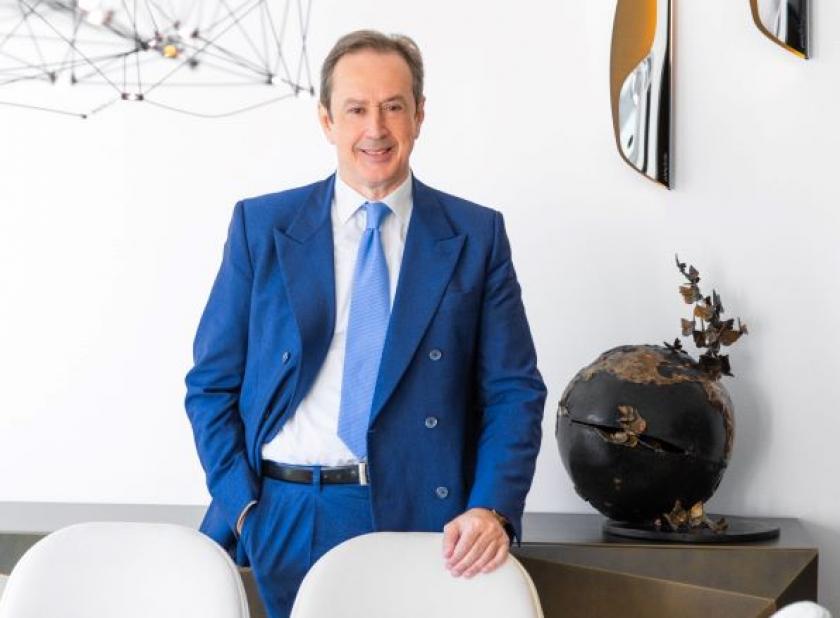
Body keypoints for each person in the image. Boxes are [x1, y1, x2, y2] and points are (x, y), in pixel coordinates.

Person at [184, 29, 546, 618]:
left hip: (422, 514)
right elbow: (211, 384)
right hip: (284, 511)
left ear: (419, 116)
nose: (375, 129)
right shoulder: (262, 226)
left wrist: (491, 507)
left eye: (393, 107)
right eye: (356, 109)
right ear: (327, 120)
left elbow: (514, 390)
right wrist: (244, 506)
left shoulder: (475, 235)